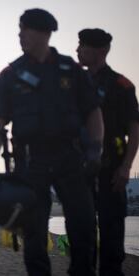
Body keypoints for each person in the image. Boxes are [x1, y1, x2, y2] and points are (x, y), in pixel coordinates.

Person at [0, 8, 104, 275]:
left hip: (71, 158)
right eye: (19, 28)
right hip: (30, 161)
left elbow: (93, 112)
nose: (20, 34)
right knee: (35, 232)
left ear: (45, 33)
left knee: (83, 226)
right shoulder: (10, 75)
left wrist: (95, 150)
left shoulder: (70, 71)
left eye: (25, 29)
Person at [77, 28, 139, 276]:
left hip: (111, 170)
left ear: (101, 50)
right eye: (79, 44)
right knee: (82, 238)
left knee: (112, 241)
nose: (78, 50)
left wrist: (126, 167)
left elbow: (135, 130)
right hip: (78, 172)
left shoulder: (120, 86)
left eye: (84, 45)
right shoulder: (73, 83)